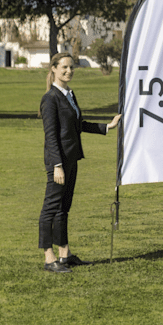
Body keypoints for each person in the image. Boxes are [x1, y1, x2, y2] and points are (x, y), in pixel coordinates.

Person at [38, 52, 121, 273]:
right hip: (59, 163)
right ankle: (49, 258)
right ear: (54, 69)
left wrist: (106, 126)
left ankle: (64, 255)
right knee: (50, 209)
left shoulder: (68, 95)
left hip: (72, 158)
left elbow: (78, 125)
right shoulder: (50, 99)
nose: (69, 71)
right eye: (64, 67)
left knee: (64, 208)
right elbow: (51, 135)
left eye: (71, 67)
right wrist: (57, 164)